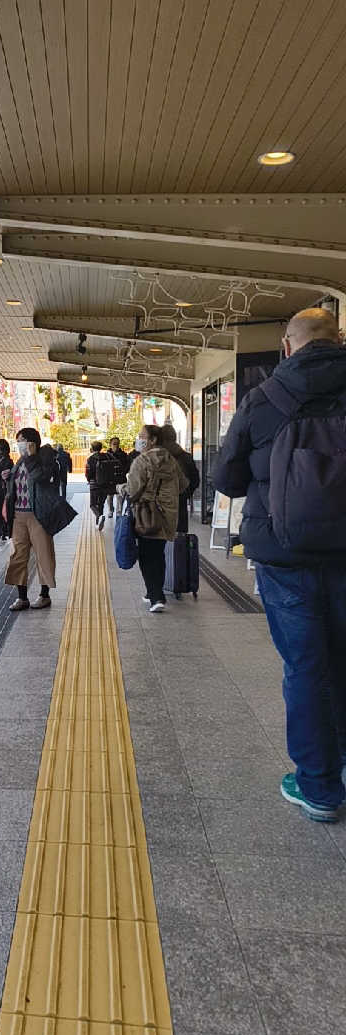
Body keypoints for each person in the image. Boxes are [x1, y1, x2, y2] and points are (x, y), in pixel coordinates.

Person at [215, 307, 346, 822]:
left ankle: (318, 788)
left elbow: (225, 479)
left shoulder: (264, 398)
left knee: (307, 667)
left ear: (287, 347)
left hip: (284, 555)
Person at [126, 424, 188, 613]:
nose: (139, 439)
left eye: (142, 436)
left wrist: (121, 488)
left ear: (153, 440)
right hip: (167, 516)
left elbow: (132, 490)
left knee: (146, 555)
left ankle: (156, 597)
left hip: (147, 514)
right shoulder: (171, 460)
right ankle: (152, 592)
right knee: (158, 554)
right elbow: (183, 485)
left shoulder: (141, 461)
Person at [5, 428, 59, 611]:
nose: (19, 444)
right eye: (18, 440)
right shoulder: (20, 459)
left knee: (43, 555)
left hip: (38, 514)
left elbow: (41, 477)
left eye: (22, 440)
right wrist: (8, 477)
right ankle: (22, 597)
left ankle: (44, 595)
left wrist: (31, 457)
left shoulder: (45, 455)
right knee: (18, 556)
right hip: (18, 515)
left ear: (33, 441)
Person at [160, 424, 199, 533]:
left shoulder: (159, 457)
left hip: (161, 508)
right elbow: (195, 480)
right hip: (180, 505)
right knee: (179, 542)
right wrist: (185, 495)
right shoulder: (186, 457)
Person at [85, 441, 116, 530]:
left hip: (94, 484)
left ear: (92, 448)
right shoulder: (107, 456)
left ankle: (99, 516)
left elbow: (88, 473)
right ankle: (98, 523)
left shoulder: (90, 459)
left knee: (93, 504)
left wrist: (89, 479)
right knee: (101, 504)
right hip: (105, 484)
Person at [0, 439, 14, 540]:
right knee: (0, 512)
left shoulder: (8, 463)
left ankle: (5, 531)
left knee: (4, 511)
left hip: (4, 490)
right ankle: (2, 531)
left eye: (1, 449)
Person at [107, 437, 130, 516]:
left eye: (117, 444)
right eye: (114, 444)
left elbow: (128, 466)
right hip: (110, 481)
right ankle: (110, 509)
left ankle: (118, 515)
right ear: (110, 445)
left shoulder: (124, 455)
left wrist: (123, 471)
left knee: (120, 499)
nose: (116, 446)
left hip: (121, 480)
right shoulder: (106, 455)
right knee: (109, 498)